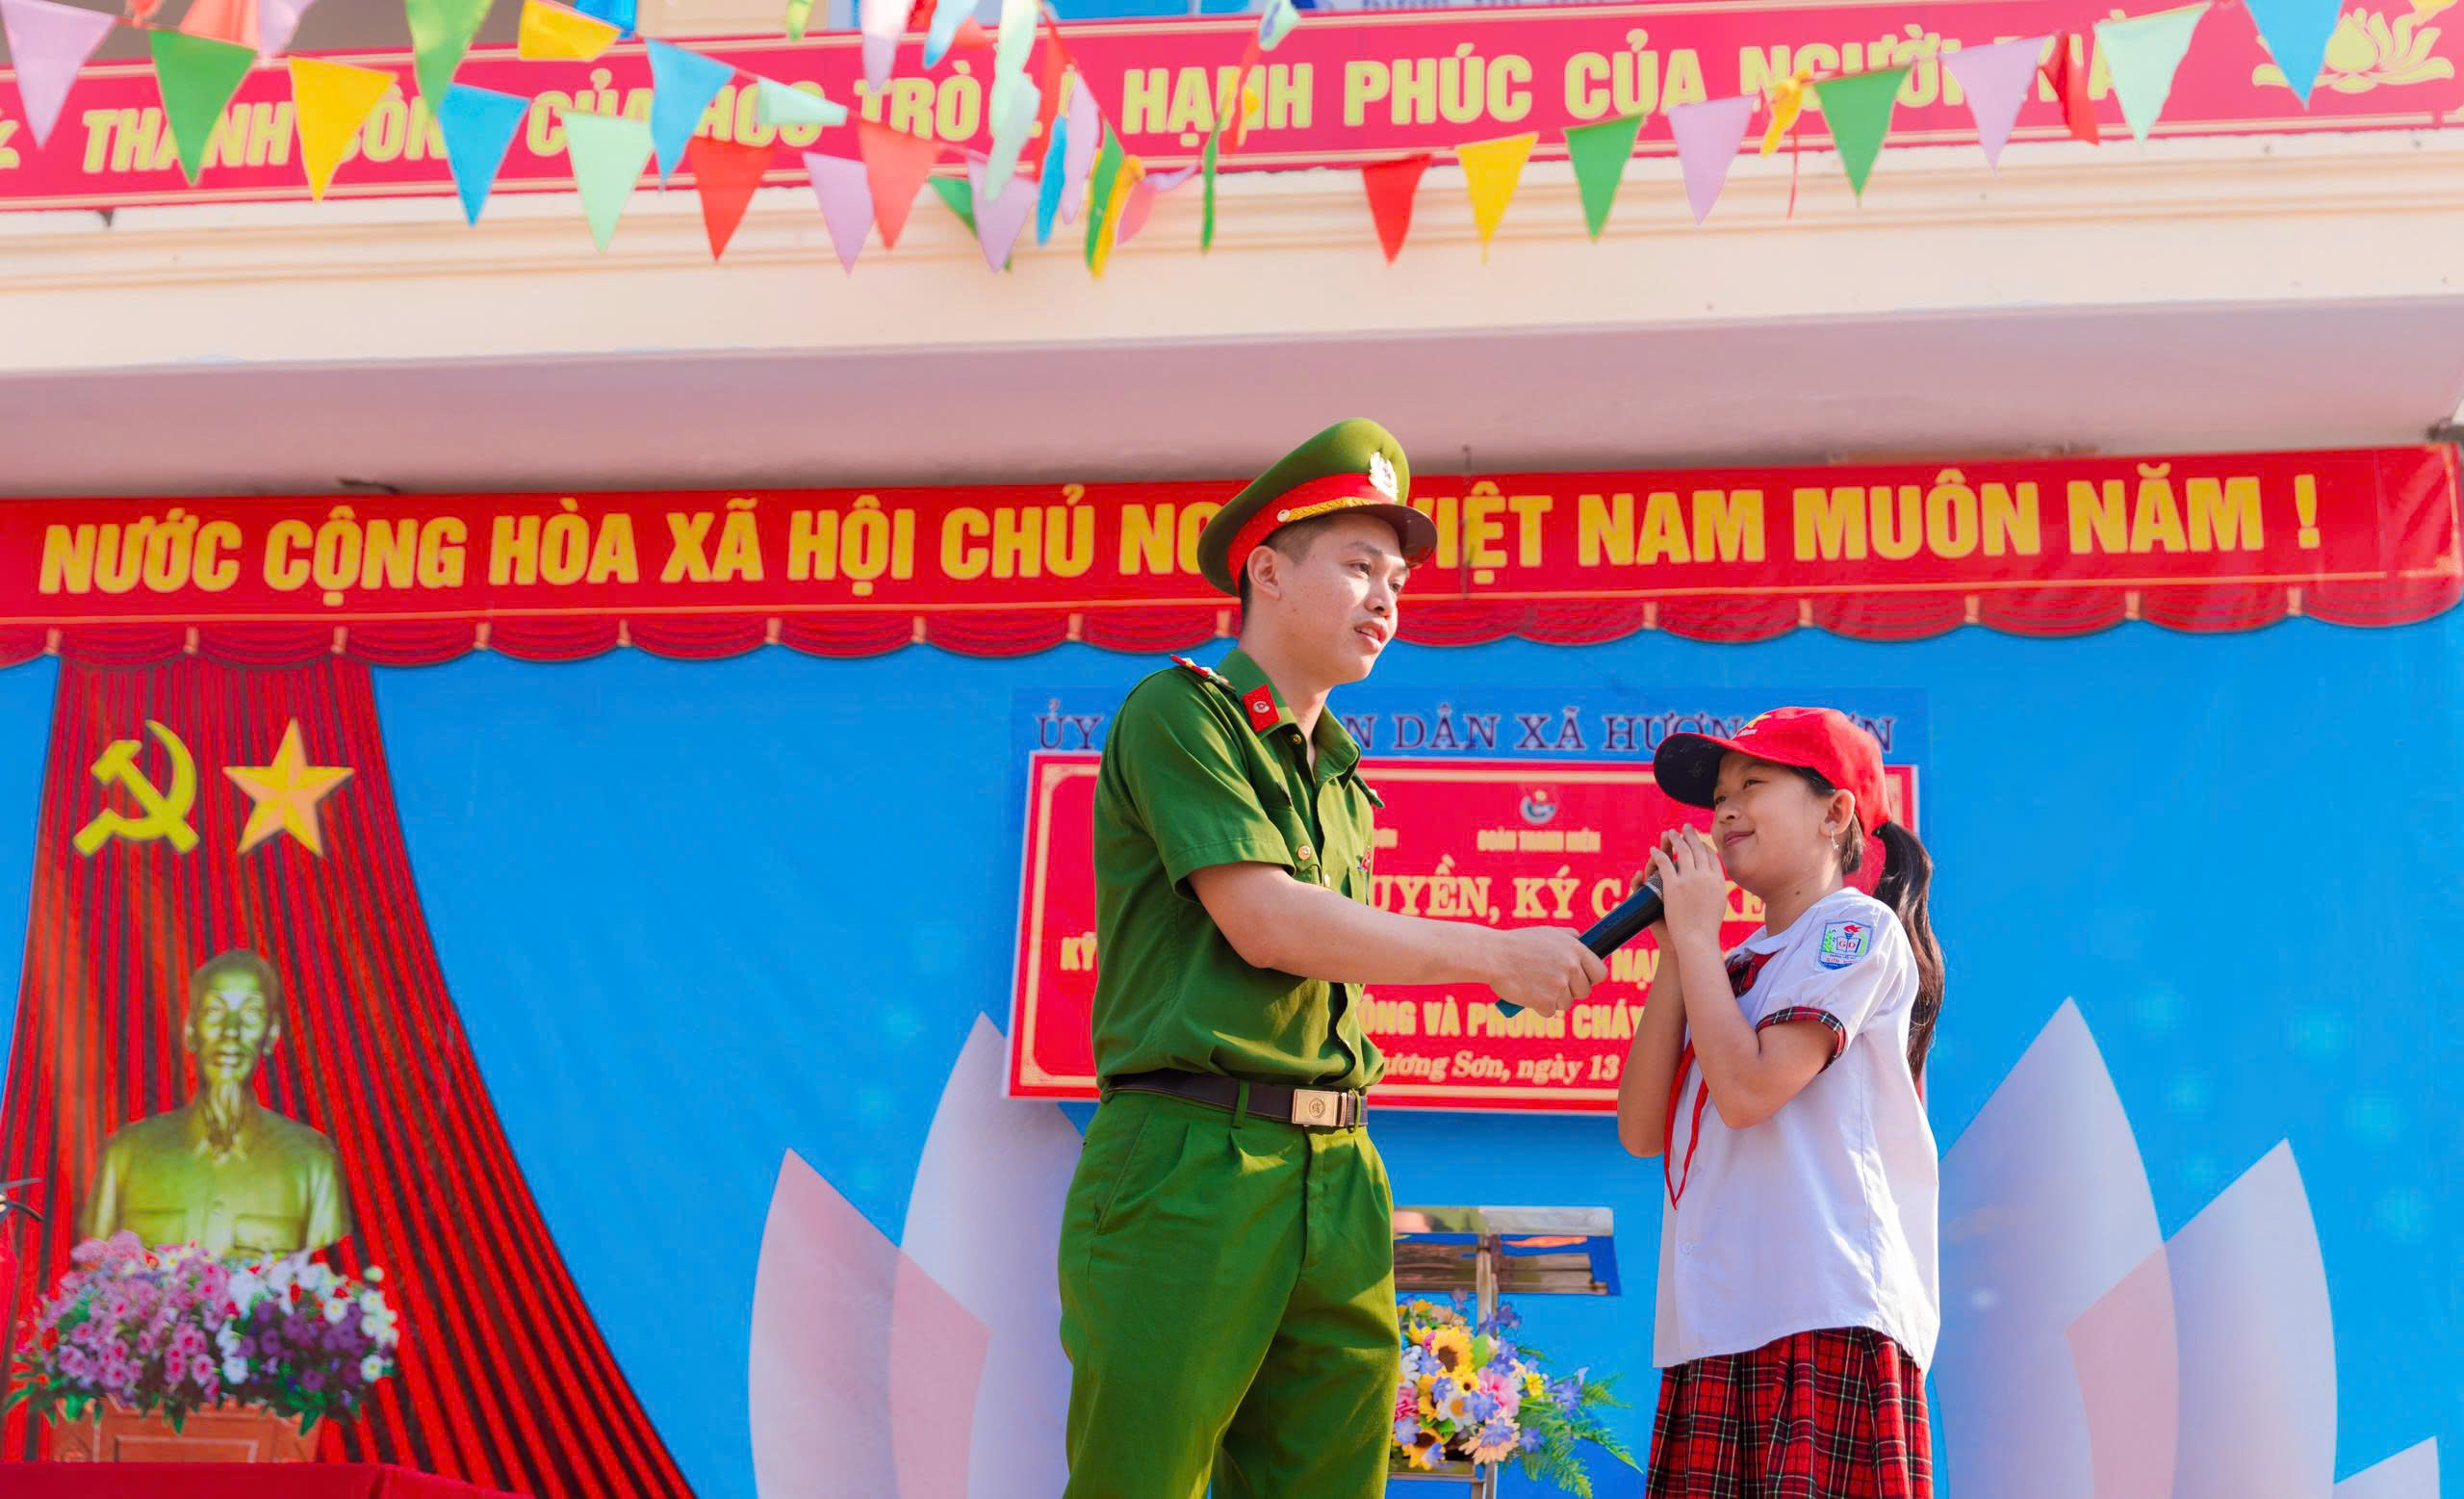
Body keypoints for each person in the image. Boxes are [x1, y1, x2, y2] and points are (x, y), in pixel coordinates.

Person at [1057, 418, 1608, 1499]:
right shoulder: (1182, 715)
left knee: (1330, 1479)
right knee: (1144, 1477)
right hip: (1193, 1156)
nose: (1385, 599)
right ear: (1267, 572)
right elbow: (1268, 922)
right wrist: (1494, 955)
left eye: (1396, 579)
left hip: (1340, 1165)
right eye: (1358, 566)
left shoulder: (1343, 779)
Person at [1613, 708, 1945, 1498]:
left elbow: (1748, 1089)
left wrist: (1698, 940)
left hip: (1820, 1306)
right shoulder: (1722, 962)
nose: (1726, 811)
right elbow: (1640, 1128)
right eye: (1718, 797)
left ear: (1835, 813)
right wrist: (1678, 953)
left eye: (1753, 784)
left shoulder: (1854, 929)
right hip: (1717, 1317)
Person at [83, 948, 352, 1258]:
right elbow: (91, 1270)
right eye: (214, 1011)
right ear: (190, 1030)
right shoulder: (126, 1155)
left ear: (271, 1034)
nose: (231, 1031)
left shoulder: (313, 1163)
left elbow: (327, 1278)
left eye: (251, 1014)